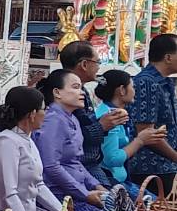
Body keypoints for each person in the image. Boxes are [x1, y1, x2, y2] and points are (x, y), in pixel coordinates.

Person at [33, 69, 132, 211]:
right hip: (59, 195)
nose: (82, 92)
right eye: (75, 87)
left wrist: (97, 187)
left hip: (77, 190)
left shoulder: (72, 119)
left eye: (80, 87)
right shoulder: (52, 120)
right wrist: (85, 194)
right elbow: (51, 166)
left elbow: (76, 163)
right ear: (57, 93)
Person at [0, 86, 65, 211]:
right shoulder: (6, 142)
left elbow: (39, 184)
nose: (46, 113)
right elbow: (9, 193)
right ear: (32, 114)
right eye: (44, 109)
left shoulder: (27, 140)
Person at [60, 40, 128, 188]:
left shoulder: (82, 91)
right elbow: (71, 137)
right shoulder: (66, 95)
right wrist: (101, 126)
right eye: (97, 62)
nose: (99, 67)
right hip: (78, 167)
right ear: (84, 64)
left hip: (89, 166)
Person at [93, 68, 163, 201]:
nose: (135, 91)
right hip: (112, 183)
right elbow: (112, 159)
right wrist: (139, 141)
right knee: (155, 205)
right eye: (132, 87)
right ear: (121, 90)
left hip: (121, 181)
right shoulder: (111, 117)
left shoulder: (115, 112)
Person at [128, 33, 177, 197]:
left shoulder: (165, 82)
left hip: (167, 164)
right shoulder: (146, 82)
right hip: (151, 166)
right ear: (168, 57)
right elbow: (146, 132)